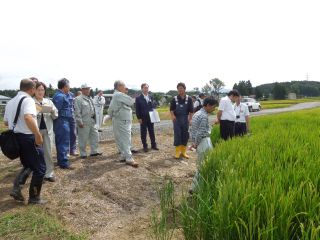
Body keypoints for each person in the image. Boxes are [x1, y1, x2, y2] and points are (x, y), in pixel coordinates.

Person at [4, 78, 46, 204]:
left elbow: (6, 122)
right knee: (40, 168)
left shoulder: (11, 102)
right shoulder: (28, 100)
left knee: (28, 164)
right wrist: (37, 135)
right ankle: (34, 198)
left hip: (16, 138)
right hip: (28, 138)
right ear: (32, 89)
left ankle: (17, 187)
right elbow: (28, 117)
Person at [190, 97, 218, 193]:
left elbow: (193, 130)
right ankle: (195, 188)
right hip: (204, 142)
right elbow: (200, 132)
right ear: (208, 105)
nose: (214, 109)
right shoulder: (203, 116)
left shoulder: (197, 113)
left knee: (202, 165)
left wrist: (193, 142)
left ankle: (198, 187)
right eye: (213, 107)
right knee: (203, 166)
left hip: (201, 142)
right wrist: (196, 144)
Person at [108, 80, 138, 167]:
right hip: (123, 119)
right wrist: (127, 95)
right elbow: (131, 101)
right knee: (126, 138)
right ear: (119, 86)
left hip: (119, 118)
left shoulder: (116, 95)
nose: (125, 88)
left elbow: (110, 109)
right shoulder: (119, 94)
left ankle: (124, 155)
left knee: (120, 138)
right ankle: (129, 158)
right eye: (124, 86)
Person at [34, 82, 58, 182]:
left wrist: (52, 110)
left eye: (42, 90)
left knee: (48, 152)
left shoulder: (48, 101)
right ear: (34, 90)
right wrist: (38, 111)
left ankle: (49, 173)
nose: (40, 92)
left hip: (48, 130)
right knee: (36, 153)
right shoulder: (30, 102)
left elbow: (56, 115)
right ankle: (39, 174)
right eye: (38, 90)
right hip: (36, 131)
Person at [74, 84, 102, 158]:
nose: (88, 90)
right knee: (83, 138)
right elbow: (77, 112)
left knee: (95, 136)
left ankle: (94, 151)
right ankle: (83, 153)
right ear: (82, 90)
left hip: (92, 120)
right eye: (86, 89)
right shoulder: (78, 99)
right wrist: (79, 122)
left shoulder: (89, 98)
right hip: (84, 121)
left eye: (88, 89)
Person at [52, 78, 74, 169]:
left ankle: (61, 160)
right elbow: (56, 111)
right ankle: (63, 163)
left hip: (63, 121)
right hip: (61, 121)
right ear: (65, 86)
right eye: (68, 86)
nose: (69, 88)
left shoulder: (62, 95)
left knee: (61, 141)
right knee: (63, 141)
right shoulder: (60, 96)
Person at [170, 82, 193, 159]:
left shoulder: (189, 99)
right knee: (177, 135)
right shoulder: (175, 98)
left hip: (185, 119)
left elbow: (191, 111)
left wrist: (190, 119)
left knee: (185, 135)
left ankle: (183, 152)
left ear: (184, 89)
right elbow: (171, 109)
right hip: (176, 119)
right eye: (178, 89)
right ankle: (177, 151)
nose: (180, 90)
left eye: (181, 88)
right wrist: (173, 116)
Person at [135, 83, 158, 152]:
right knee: (143, 132)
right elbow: (137, 109)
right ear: (142, 89)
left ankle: (153, 145)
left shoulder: (151, 97)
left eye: (147, 88)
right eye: (145, 88)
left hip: (151, 117)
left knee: (152, 131)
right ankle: (145, 146)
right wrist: (139, 118)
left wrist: (154, 113)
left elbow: (153, 106)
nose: (146, 89)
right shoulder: (138, 98)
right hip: (143, 117)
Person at [67, 91, 78, 156]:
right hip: (65, 116)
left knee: (73, 133)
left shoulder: (71, 94)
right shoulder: (60, 95)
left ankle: (73, 150)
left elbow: (74, 105)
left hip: (72, 115)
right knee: (66, 134)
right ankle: (66, 151)